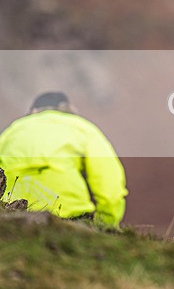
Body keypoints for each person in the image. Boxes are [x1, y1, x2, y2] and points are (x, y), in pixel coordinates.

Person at [0, 92, 128, 227]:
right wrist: (107, 223)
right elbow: (109, 181)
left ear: (33, 111)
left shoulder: (11, 131)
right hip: (70, 217)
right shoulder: (82, 128)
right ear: (67, 108)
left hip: (13, 218)